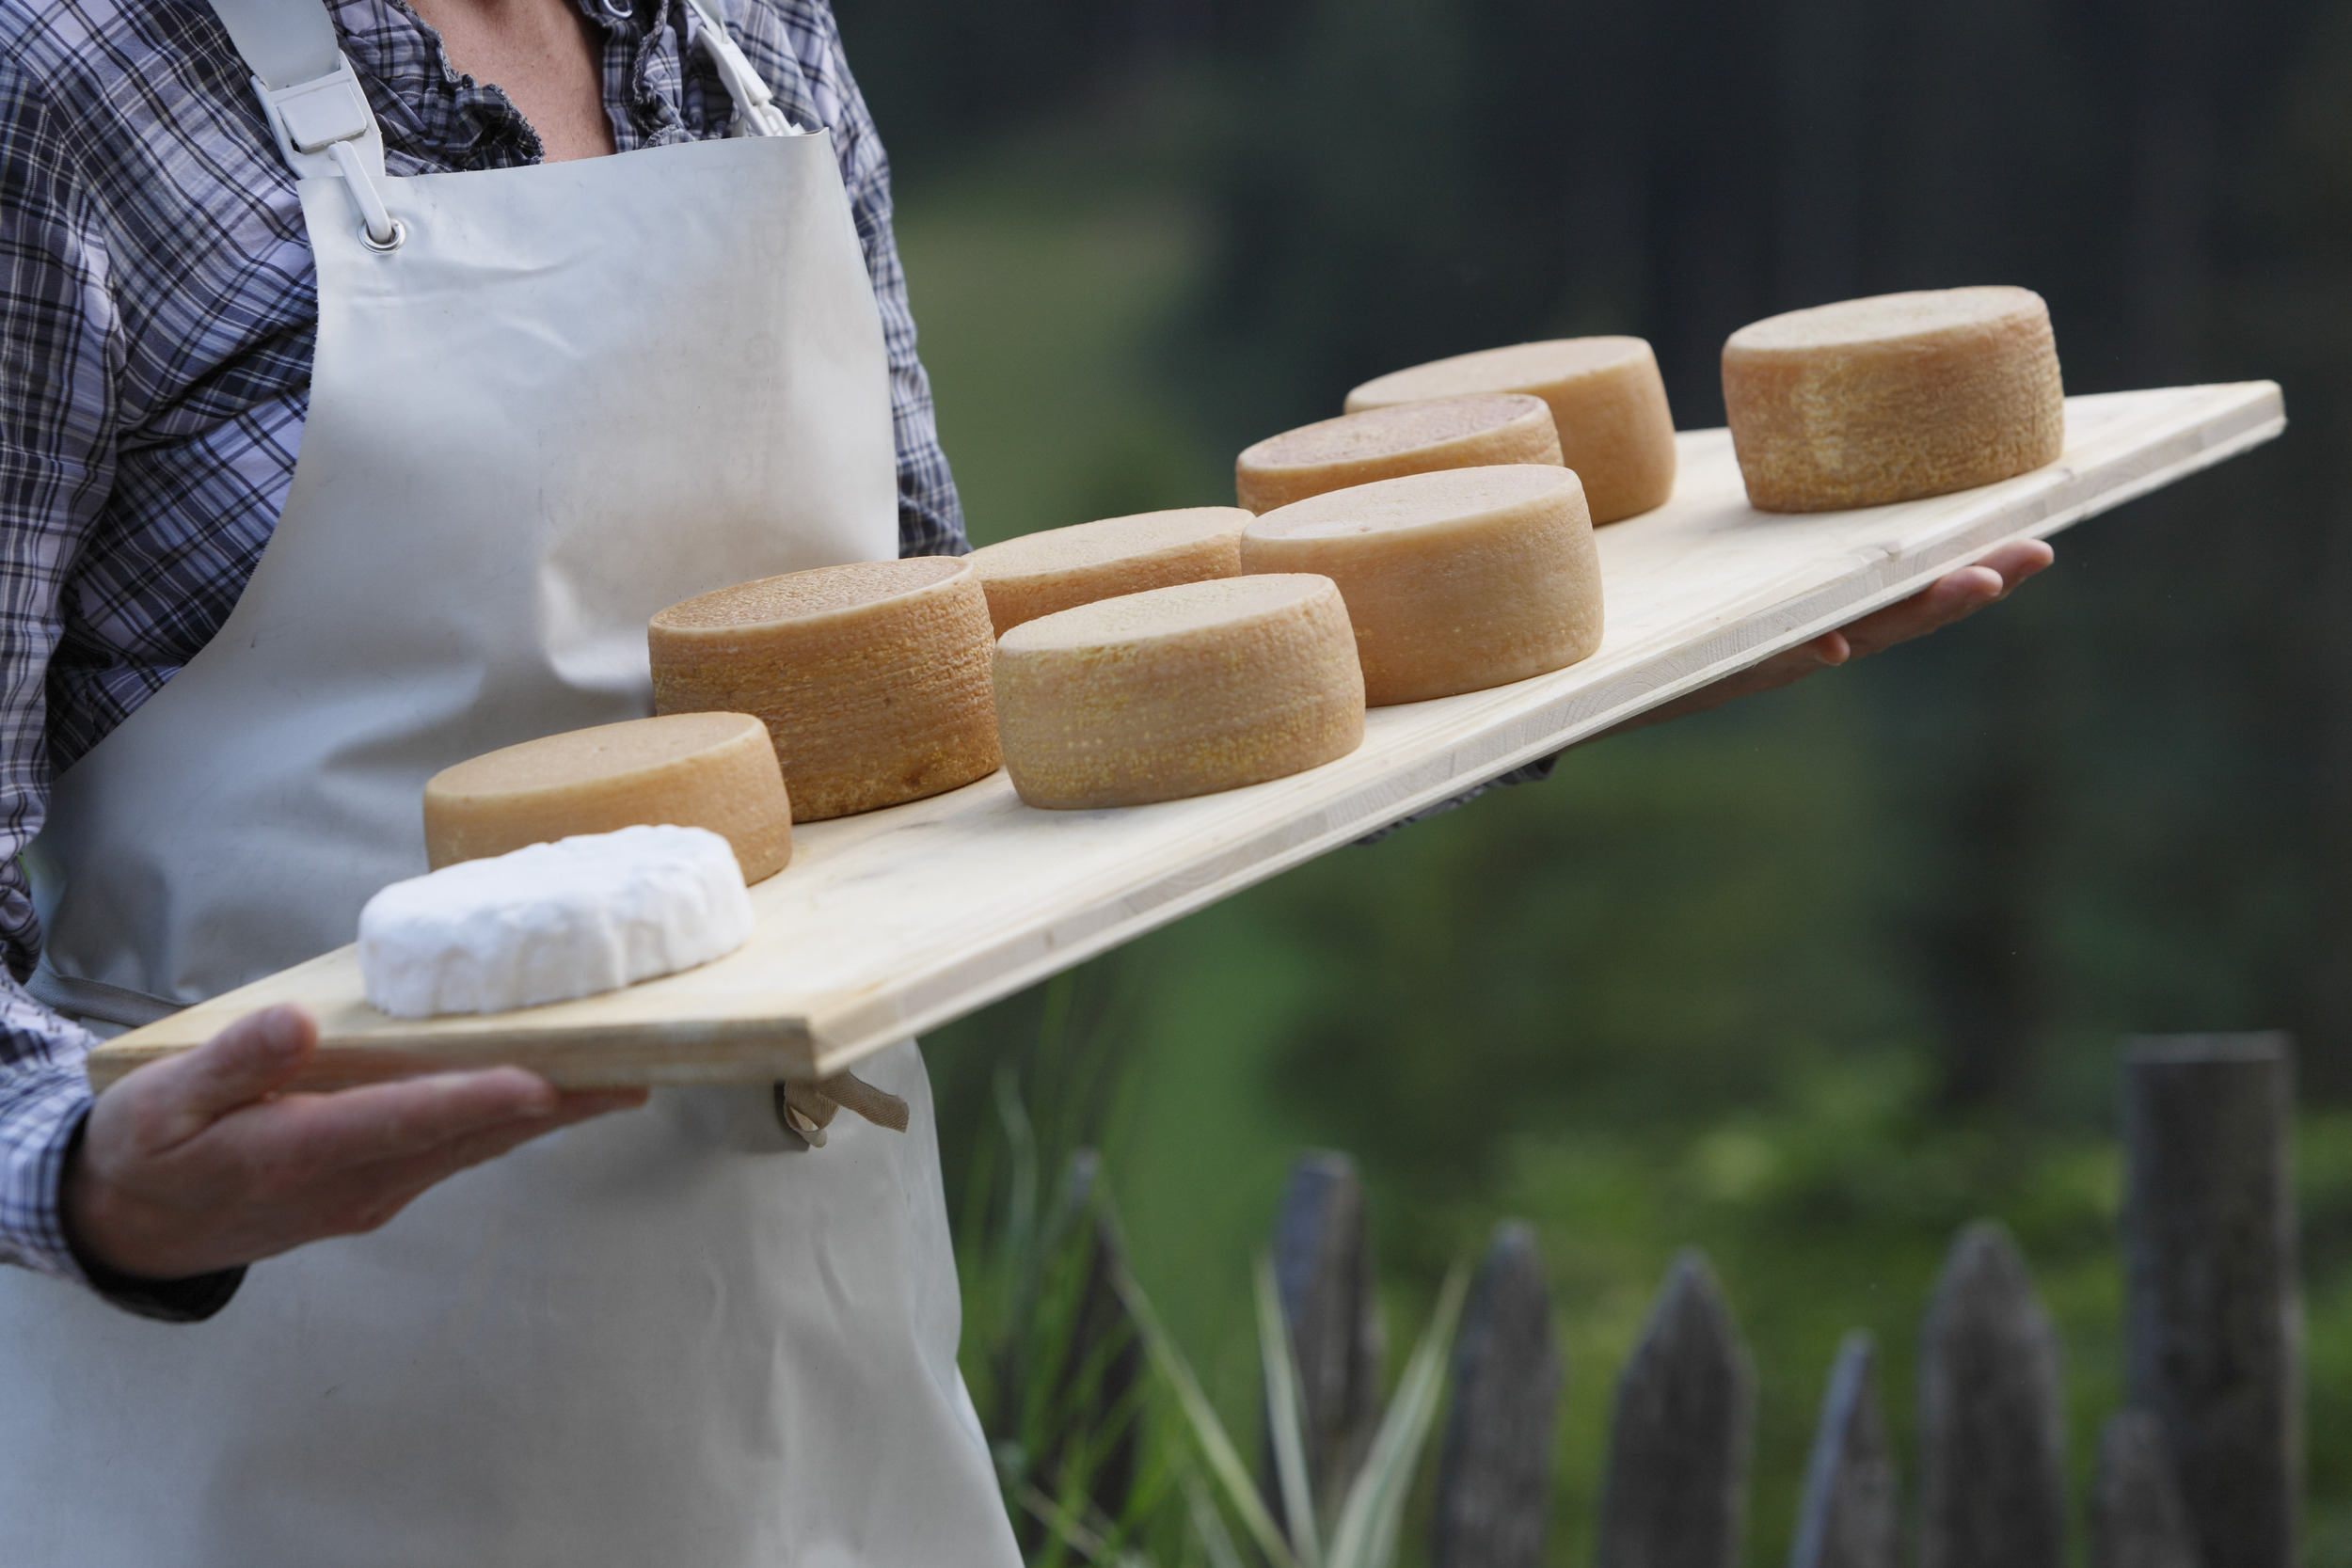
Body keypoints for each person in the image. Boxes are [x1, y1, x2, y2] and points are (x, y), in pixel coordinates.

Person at [0, 1, 2052, 1561]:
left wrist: (1495, 697)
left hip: (812, 1379)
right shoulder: (64, 87)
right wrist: (89, 1189)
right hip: (271, 1438)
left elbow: (952, 743)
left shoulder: (753, 38)